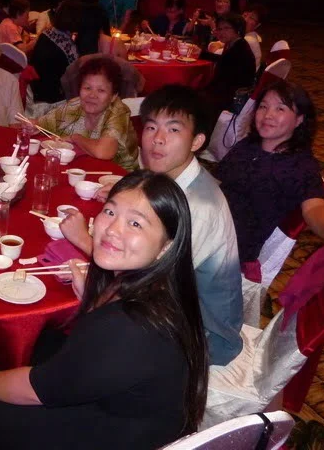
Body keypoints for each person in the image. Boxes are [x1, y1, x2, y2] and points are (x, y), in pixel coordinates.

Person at [0, 170, 208, 450]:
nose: (112, 229)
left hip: (120, 436)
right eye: (110, 212)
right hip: (121, 404)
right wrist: (94, 300)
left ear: (166, 247)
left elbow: (41, 389)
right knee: (44, 340)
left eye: (135, 223)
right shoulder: (156, 286)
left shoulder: (132, 326)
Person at [71, 85, 243, 365]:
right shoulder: (169, 182)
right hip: (175, 307)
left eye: (173, 130)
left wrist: (83, 239)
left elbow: (148, 281)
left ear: (197, 141)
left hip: (202, 334)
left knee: (78, 341)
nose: (157, 140)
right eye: (151, 127)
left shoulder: (198, 207)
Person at [217, 81, 324, 270]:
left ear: (299, 119)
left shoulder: (301, 165)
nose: (268, 115)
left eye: (280, 109)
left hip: (234, 246)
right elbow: (220, 181)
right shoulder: (247, 146)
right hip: (214, 221)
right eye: (263, 107)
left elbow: (314, 207)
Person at [38, 56, 138, 171]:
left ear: (113, 96)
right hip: (81, 170)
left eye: (101, 90)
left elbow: (102, 152)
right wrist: (32, 126)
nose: (92, 95)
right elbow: (41, 125)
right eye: (87, 88)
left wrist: (76, 138)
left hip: (120, 177)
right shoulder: (74, 105)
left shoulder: (118, 112)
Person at [200, 13, 257, 121]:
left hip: (232, 98)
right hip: (228, 92)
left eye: (226, 28)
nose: (221, 32)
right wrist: (201, 54)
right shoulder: (235, 44)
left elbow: (225, 72)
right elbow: (224, 60)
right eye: (219, 29)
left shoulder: (240, 49)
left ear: (238, 29)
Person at [28, 0, 84, 105]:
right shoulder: (68, 46)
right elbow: (76, 76)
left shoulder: (45, 34)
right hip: (54, 99)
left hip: (35, 91)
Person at [243, 4, 266, 71]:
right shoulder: (253, 35)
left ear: (257, 25)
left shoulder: (247, 40)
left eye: (251, 18)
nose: (245, 20)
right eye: (245, 15)